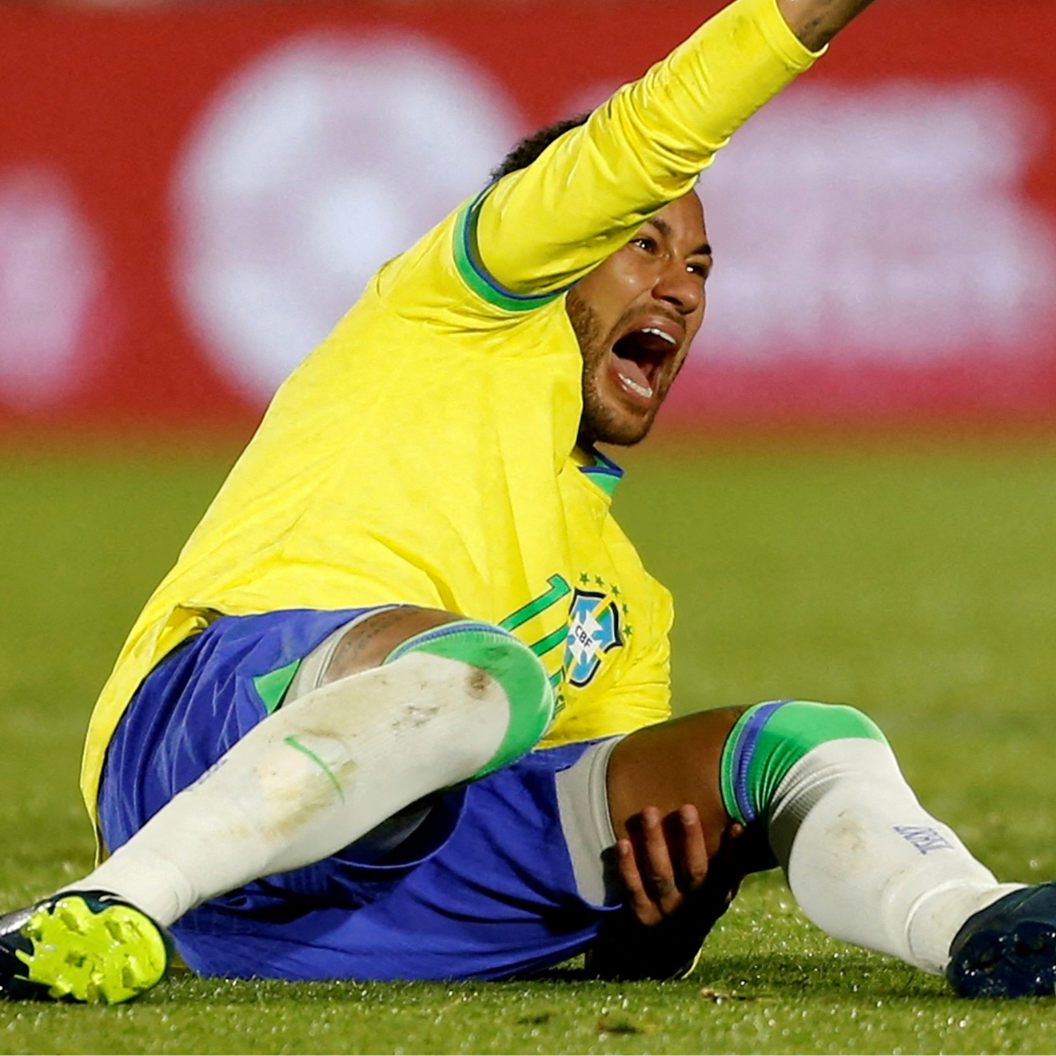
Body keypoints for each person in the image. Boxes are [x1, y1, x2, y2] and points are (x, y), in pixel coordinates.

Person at [2, 0, 1054, 1006]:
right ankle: (96, 910)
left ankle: (975, 921)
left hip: (359, 914)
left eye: (701, 267)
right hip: (188, 749)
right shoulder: (455, 309)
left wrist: (663, 915)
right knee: (481, 676)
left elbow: (597, 841)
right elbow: (656, 130)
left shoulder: (626, 603)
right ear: (555, 245)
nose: (682, 290)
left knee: (807, 741)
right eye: (644, 244)